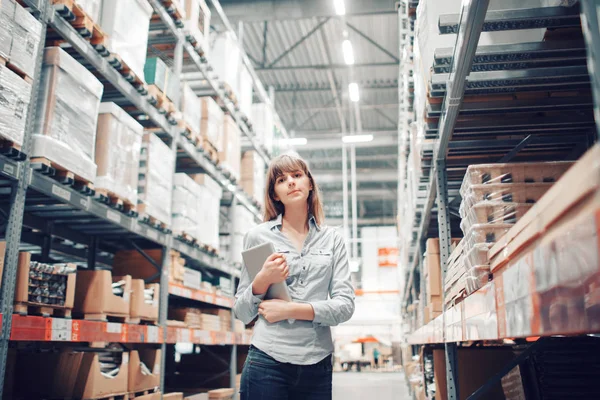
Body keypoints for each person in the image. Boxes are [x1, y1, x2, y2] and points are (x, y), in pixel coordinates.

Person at [234, 153, 356, 400]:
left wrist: (290, 310)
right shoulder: (258, 236)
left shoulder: (333, 239)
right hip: (267, 360)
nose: (290, 182)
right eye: (281, 179)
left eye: (297, 175)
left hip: (317, 363)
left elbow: (345, 306)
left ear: (309, 184)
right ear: (274, 194)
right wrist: (262, 280)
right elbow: (241, 312)